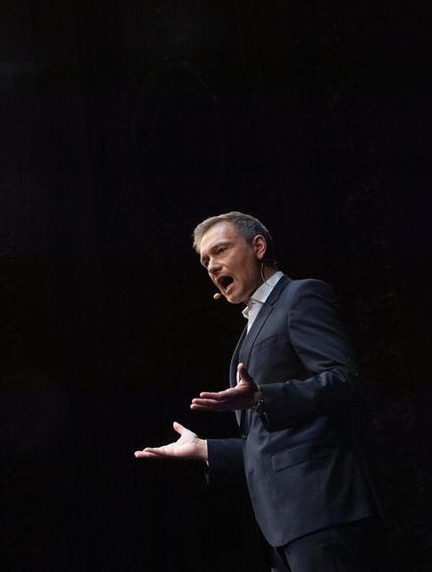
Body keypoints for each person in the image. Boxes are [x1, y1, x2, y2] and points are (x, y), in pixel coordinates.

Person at [135, 211, 379, 572]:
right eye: (205, 261)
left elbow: (344, 380)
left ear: (258, 247)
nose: (212, 267)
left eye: (220, 251)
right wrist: (205, 450)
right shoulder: (250, 330)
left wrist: (264, 397)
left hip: (324, 511)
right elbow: (269, 444)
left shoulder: (300, 297)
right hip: (285, 526)